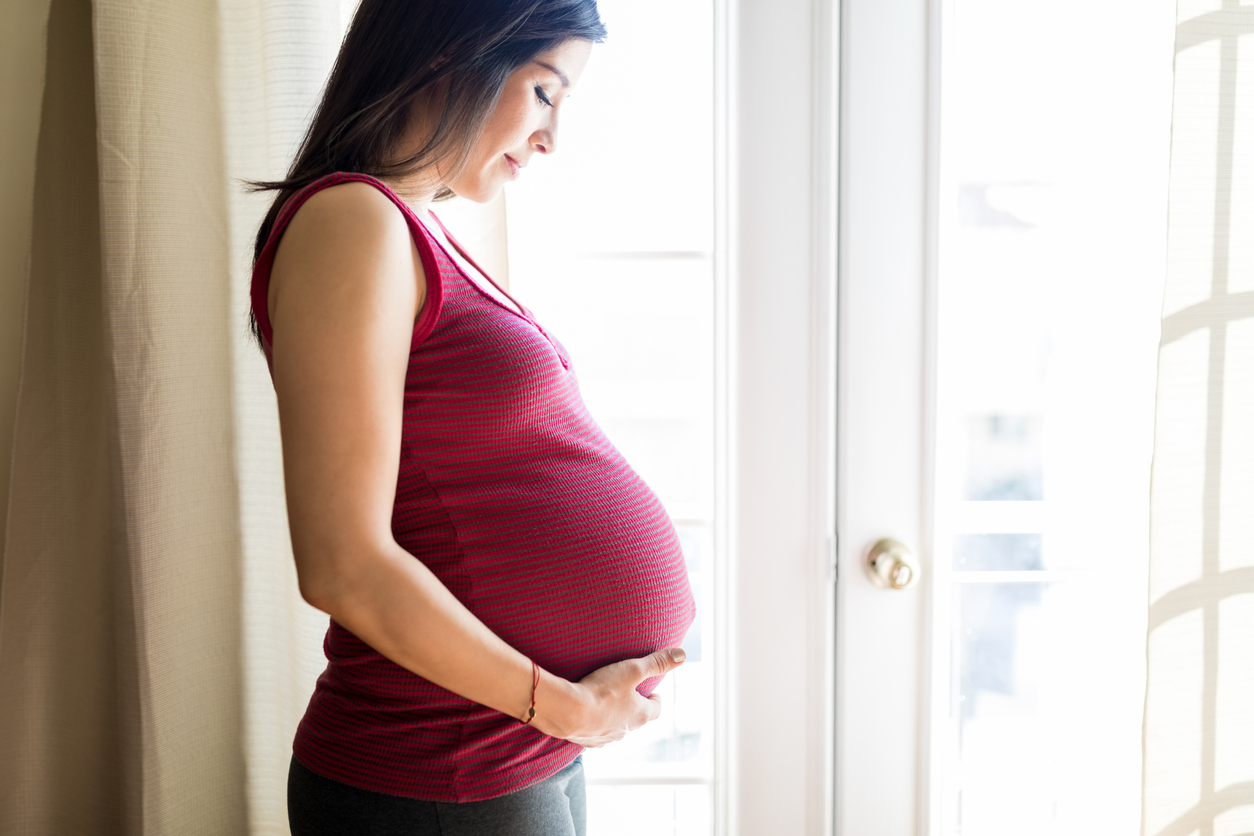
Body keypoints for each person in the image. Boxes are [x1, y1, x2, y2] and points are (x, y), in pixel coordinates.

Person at [246, 1, 696, 833]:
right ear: (454, 52)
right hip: (439, 769)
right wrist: (554, 703)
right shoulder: (351, 221)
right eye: (544, 92)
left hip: (508, 748)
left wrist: (557, 714)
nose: (552, 137)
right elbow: (343, 563)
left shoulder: (408, 225)